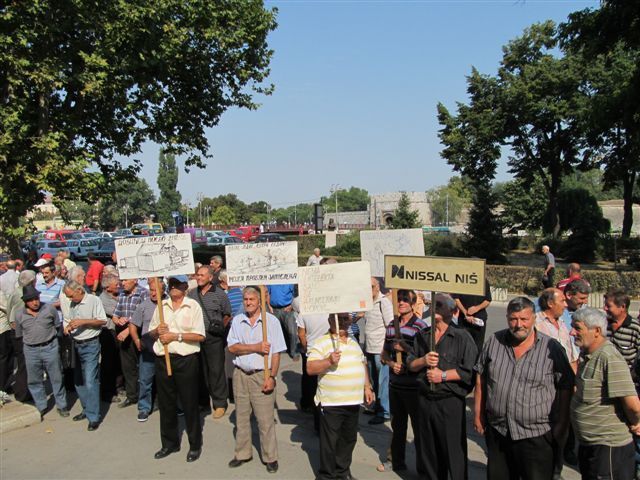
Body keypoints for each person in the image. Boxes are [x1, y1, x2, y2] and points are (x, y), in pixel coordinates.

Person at [474, 297, 574, 479]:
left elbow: (565, 386)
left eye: (524, 319)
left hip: (536, 434)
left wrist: (561, 425)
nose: (518, 324)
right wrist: (478, 414)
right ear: (507, 318)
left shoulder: (551, 348)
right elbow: (481, 377)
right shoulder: (494, 342)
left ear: (534, 319)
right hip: (499, 431)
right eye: (513, 319)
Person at [408, 294, 477, 479]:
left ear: (452, 311)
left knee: (453, 450)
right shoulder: (423, 335)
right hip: (425, 399)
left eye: (439, 305)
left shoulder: (463, 337)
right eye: (433, 304)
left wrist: (443, 376)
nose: (435, 308)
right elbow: (411, 364)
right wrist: (423, 360)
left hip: (449, 401)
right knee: (428, 449)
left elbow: (468, 372)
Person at [570, 307, 640, 480]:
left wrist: (637, 422)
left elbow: (631, 403)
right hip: (590, 446)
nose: (572, 332)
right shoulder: (588, 355)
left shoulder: (608, 357)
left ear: (597, 331)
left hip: (608, 449)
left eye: (578, 328)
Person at [307, 313, 375, 480]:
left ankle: (342, 472)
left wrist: (367, 386)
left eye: (346, 319)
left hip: (353, 401)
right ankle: (327, 476)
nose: (344, 322)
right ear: (331, 321)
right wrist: (328, 361)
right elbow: (310, 368)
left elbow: (362, 363)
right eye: (340, 319)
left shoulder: (353, 341)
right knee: (330, 443)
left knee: (348, 440)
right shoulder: (322, 342)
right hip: (332, 402)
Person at [227, 287, 286, 474]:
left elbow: (276, 353)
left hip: (262, 375)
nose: (248, 302)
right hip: (241, 374)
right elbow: (233, 348)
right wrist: (256, 347)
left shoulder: (271, 322)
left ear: (259, 301)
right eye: (245, 299)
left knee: (265, 419)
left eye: (252, 299)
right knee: (242, 417)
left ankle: (270, 457)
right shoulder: (238, 320)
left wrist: (272, 377)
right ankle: (242, 453)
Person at [148, 275, 205, 462]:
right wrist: (158, 332)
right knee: (166, 404)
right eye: (171, 284)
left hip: (186, 359)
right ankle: (169, 443)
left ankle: (195, 445)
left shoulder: (193, 306)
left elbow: (200, 336)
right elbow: (151, 331)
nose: (173, 287)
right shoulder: (161, 306)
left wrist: (176, 336)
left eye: (177, 284)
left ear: (185, 287)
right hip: (163, 359)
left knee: (189, 403)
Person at [376, 289, 428, 474]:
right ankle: (395, 461)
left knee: (420, 430)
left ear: (414, 304)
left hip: (415, 387)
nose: (401, 303)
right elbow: (384, 354)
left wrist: (405, 348)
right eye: (399, 299)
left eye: (406, 300)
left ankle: (424, 468)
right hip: (395, 385)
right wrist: (391, 364)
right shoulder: (392, 325)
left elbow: (424, 357)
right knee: (397, 427)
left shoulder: (421, 327)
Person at [536, 287, 580, 473]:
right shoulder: (535, 323)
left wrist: (574, 381)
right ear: (549, 303)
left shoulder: (563, 324)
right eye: (561, 300)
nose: (565, 304)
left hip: (565, 387)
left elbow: (572, 356)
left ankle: (557, 465)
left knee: (562, 427)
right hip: (545, 387)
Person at [13, 285, 68, 418]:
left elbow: (56, 326)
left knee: (56, 377)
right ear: (26, 301)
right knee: (34, 380)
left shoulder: (49, 309)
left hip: (50, 347)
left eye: (36, 298)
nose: (35, 302)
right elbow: (19, 334)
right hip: (31, 350)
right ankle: (41, 405)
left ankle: (62, 405)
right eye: (31, 300)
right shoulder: (19, 314)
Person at [62, 280, 107, 431]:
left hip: (90, 344)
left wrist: (83, 322)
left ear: (79, 291)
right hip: (76, 343)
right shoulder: (72, 304)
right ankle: (86, 409)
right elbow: (69, 320)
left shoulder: (94, 300)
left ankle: (93, 416)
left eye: (71, 296)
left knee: (90, 380)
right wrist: (68, 327)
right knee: (78, 381)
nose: (70, 299)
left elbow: (102, 320)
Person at [188, 265, 232, 419]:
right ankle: (203, 402)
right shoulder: (192, 294)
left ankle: (220, 403)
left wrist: (219, 329)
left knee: (216, 370)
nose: (198, 277)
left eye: (201, 275)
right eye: (197, 275)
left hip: (213, 338)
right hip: (196, 337)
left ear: (210, 277)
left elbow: (227, 314)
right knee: (199, 371)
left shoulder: (220, 294)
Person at [129, 277, 165, 422]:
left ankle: (173, 406)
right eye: (151, 290)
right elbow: (133, 325)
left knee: (168, 381)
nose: (153, 293)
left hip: (165, 350)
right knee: (145, 380)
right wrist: (136, 339)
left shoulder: (168, 305)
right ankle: (144, 407)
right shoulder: (143, 306)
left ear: (163, 291)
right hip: (148, 350)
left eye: (156, 291)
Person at [112, 277, 149, 409]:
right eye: (122, 281)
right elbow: (115, 313)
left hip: (139, 333)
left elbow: (144, 315)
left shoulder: (144, 293)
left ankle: (146, 397)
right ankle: (132, 395)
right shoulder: (122, 294)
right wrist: (118, 320)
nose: (122, 283)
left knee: (144, 366)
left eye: (125, 280)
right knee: (128, 366)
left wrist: (129, 329)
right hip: (124, 333)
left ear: (134, 280)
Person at [363, 276, 393, 424]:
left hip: (380, 349)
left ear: (378, 287)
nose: (369, 290)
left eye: (371, 287)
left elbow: (390, 327)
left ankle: (384, 412)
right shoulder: (368, 303)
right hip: (369, 347)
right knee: (374, 380)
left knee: (383, 381)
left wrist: (385, 350)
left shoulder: (384, 302)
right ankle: (377, 407)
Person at [6, 270, 37, 402]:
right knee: (24, 364)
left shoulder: (16, 291)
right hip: (21, 333)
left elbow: (8, 309)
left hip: (17, 331)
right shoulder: (22, 295)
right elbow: (20, 317)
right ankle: (22, 393)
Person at [297, 308, 329, 430]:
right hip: (327, 352)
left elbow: (301, 334)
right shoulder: (330, 309)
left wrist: (306, 347)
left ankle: (317, 421)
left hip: (311, 353)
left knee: (314, 389)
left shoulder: (303, 312)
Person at [98, 274, 122, 402]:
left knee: (118, 361)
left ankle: (118, 386)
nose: (119, 286)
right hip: (108, 332)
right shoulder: (102, 300)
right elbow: (118, 313)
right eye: (116, 285)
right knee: (108, 363)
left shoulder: (119, 295)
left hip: (119, 332)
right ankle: (107, 392)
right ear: (108, 288)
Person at [453, 278, 492, 352]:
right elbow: (456, 298)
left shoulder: (483, 281)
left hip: (479, 320)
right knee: (461, 346)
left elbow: (488, 300)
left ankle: (476, 363)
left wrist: (476, 308)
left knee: (478, 346)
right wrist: (465, 313)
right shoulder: (461, 279)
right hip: (463, 320)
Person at [267, 283, 299, 360]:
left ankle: (294, 352)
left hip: (288, 309)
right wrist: (269, 306)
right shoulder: (272, 280)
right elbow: (267, 293)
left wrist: (292, 306)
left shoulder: (289, 281)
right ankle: (275, 353)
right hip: (274, 309)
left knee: (292, 331)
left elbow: (295, 295)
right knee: (274, 333)